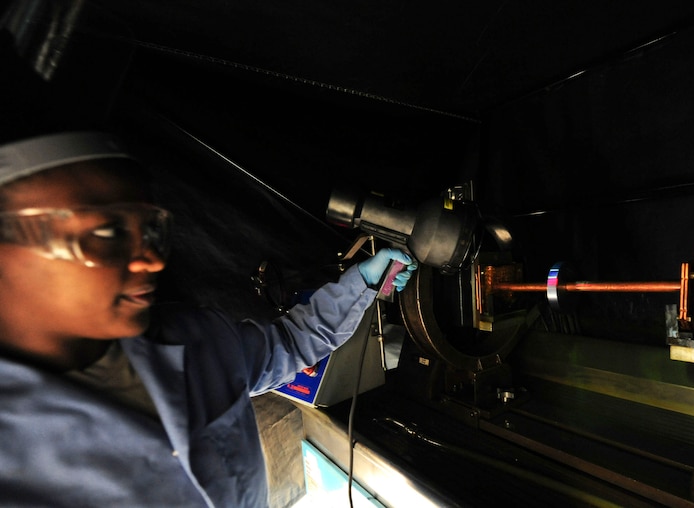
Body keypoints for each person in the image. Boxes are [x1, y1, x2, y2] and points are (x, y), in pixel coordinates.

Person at [0, 130, 417, 507]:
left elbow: (291, 344)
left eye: (148, 232)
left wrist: (360, 282)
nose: (150, 261)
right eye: (107, 234)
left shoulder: (195, 337)